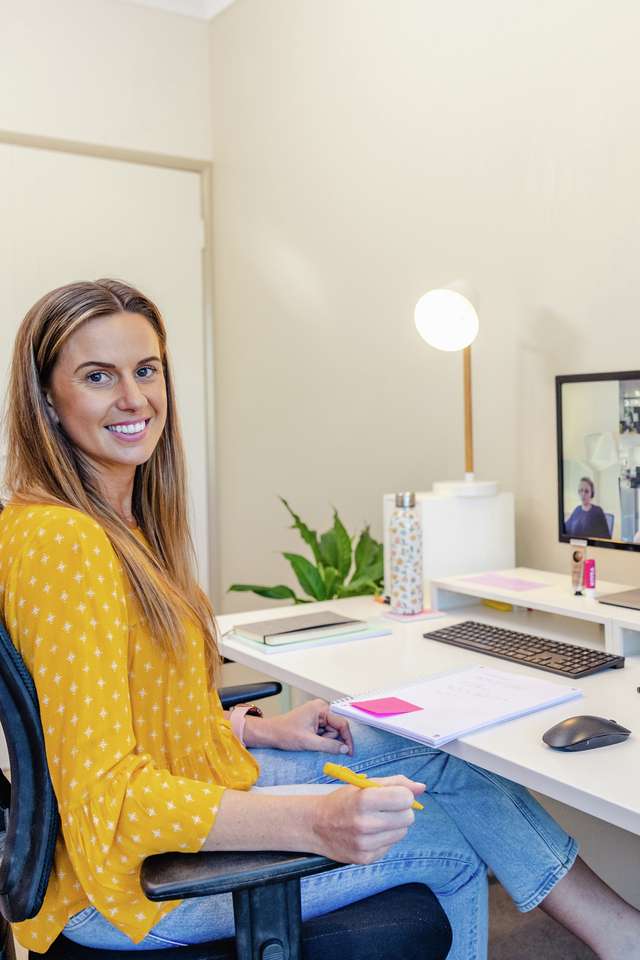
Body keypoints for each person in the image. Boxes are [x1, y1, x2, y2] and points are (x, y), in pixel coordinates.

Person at [1, 280, 639, 960]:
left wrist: (258, 727)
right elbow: (110, 801)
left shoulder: (116, 522)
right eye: (98, 376)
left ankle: (622, 935)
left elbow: (107, 716)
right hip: (125, 888)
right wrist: (316, 820)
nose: (134, 399)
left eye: (146, 369)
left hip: (189, 786)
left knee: (438, 754)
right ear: (47, 398)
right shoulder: (64, 544)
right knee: (450, 846)